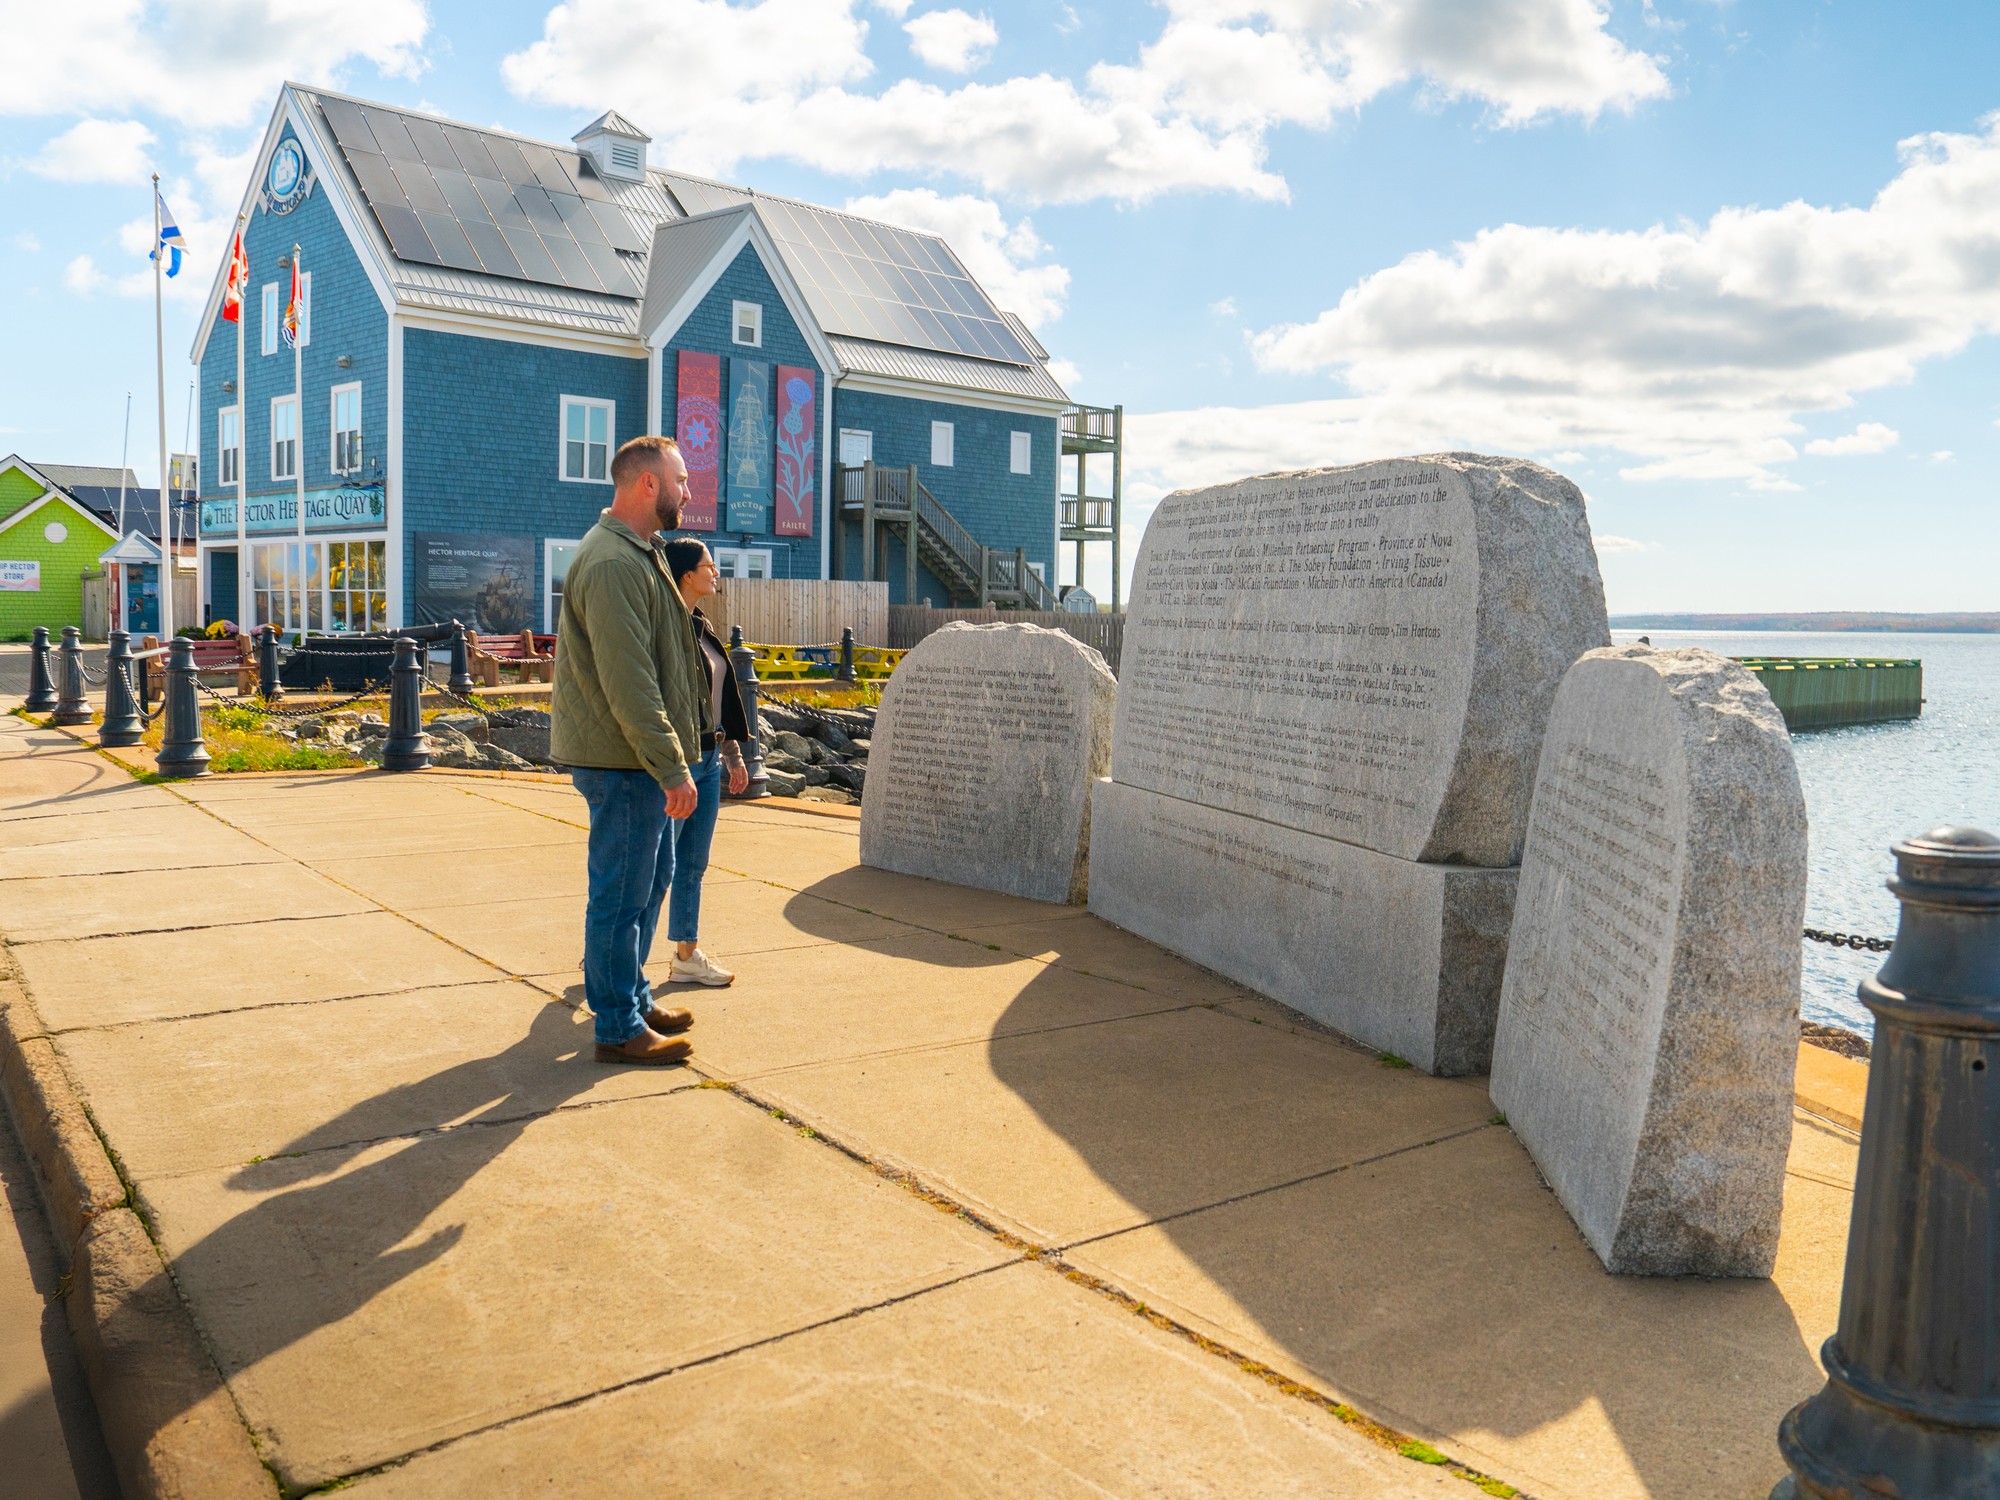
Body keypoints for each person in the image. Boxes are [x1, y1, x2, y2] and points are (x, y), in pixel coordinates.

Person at [550, 435, 711, 1066]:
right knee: (620, 895)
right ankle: (617, 1026)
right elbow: (630, 678)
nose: (688, 491)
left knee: (649, 882)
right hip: (624, 763)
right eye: (681, 479)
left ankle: (633, 997)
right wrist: (673, 767)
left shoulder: (640, 553)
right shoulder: (617, 562)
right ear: (648, 484)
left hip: (634, 759)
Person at [657, 538, 751, 987]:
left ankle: (686, 956)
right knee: (655, 866)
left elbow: (721, 701)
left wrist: (733, 755)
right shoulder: (666, 628)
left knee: (693, 863)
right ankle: (615, 954)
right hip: (677, 761)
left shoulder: (701, 626)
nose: (716, 572)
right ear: (686, 575)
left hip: (710, 758)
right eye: (708, 565)